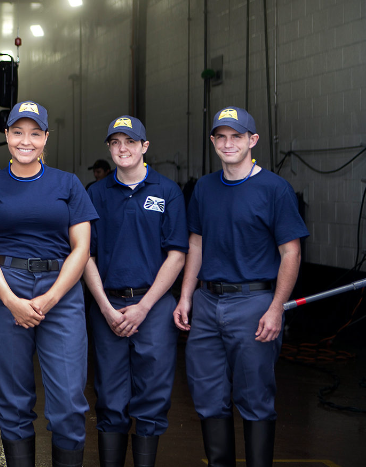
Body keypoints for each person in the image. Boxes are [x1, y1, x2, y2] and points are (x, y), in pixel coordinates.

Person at [0, 101, 97, 467]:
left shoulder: (67, 184)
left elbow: (81, 248)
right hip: (5, 287)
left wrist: (51, 298)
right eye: (18, 132)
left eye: (35, 133)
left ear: (46, 138)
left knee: (69, 401)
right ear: (6, 135)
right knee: (12, 399)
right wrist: (10, 300)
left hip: (61, 289)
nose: (26, 140)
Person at [173, 106, 307, 467]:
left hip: (254, 303)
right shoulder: (204, 188)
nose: (228, 143)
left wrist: (277, 307)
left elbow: (291, 252)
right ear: (213, 141)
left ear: (253, 140)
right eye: (221, 136)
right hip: (206, 302)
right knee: (207, 396)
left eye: (237, 136)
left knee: (254, 398)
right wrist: (186, 296)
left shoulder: (275, 189)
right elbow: (196, 244)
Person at [82, 116, 187, 467]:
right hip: (107, 303)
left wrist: (143, 307)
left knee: (153, 395)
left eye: (130, 142)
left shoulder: (167, 191)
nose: (122, 149)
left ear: (145, 147)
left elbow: (177, 255)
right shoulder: (95, 193)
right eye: (115, 142)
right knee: (110, 396)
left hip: (153, 305)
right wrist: (105, 307)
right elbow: (85, 255)